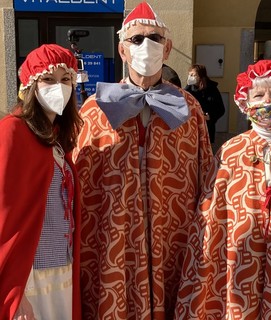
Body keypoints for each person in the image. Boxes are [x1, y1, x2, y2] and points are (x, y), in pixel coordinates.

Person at [72, 2, 213, 319]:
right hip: (114, 243)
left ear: (167, 49)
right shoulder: (95, 109)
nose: (145, 45)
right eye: (136, 39)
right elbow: (80, 184)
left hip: (172, 239)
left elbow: (206, 178)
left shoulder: (188, 109)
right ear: (122, 50)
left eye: (154, 38)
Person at [174, 59, 271, 319]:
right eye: (259, 94)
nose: (268, 100)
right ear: (245, 102)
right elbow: (210, 217)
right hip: (238, 266)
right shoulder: (229, 153)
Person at [0, 44, 83, 320]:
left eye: (65, 80)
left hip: (63, 271)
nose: (58, 87)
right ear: (31, 85)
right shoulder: (12, 131)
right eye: (48, 79)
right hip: (30, 277)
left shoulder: (58, 140)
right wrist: (15, 290)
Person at [185, 64, 225, 143]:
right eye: (189, 75)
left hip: (206, 128)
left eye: (193, 75)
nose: (190, 77)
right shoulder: (188, 89)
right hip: (192, 129)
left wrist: (210, 117)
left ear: (200, 76)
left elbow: (221, 109)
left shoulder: (212, 89)